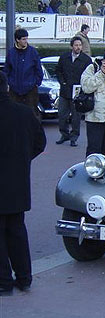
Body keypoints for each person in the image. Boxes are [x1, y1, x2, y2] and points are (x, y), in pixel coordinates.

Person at [0, 71, 46, 296]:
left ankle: (3, 282)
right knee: (17, 229)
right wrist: (22, 160)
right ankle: (24, 277)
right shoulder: (25, 113)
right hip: (18, 181)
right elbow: (40, 142)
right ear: (6, 88)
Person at [55, 37, 92, 147]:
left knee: (76, 116)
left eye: (80, 45)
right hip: (65, 91)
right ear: (72, 46)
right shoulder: (64, 57)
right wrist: (62, 82)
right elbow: (58, 70)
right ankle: (64, 134)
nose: (78, 47)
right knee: (62, 114)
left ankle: (74, 137)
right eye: (76, 45)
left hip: (78, 92)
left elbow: (89, 74)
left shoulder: (86, 59)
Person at [4, 28, 44, 120]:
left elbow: (38, 69)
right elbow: (7, 70)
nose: (26, 41)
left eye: (27, 39)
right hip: (14, 89)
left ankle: (33, 133)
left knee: (32, 114)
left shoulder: (32, 52)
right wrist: (9, 83)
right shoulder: (11, 53)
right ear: (17, 40)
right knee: (14, 114)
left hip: (30, 89)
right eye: (23, 39)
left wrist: (36, 83)